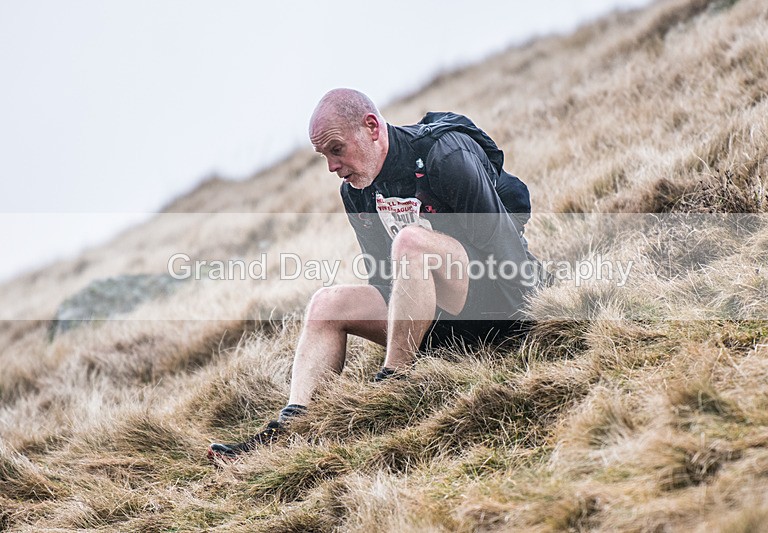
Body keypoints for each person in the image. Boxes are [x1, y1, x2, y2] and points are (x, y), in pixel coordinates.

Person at [207, 89, 546, 461]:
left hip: (496, 312)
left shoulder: (445, 155)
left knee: (411, 242)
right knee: (326, 304)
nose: (332, 166)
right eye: (324, 156)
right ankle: (291, 429)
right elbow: (384, 281)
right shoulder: (356, 193)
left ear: (372, 127)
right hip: (438, 330)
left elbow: (503, 246)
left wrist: (541, 327)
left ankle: (392, 384)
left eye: (337, 150)